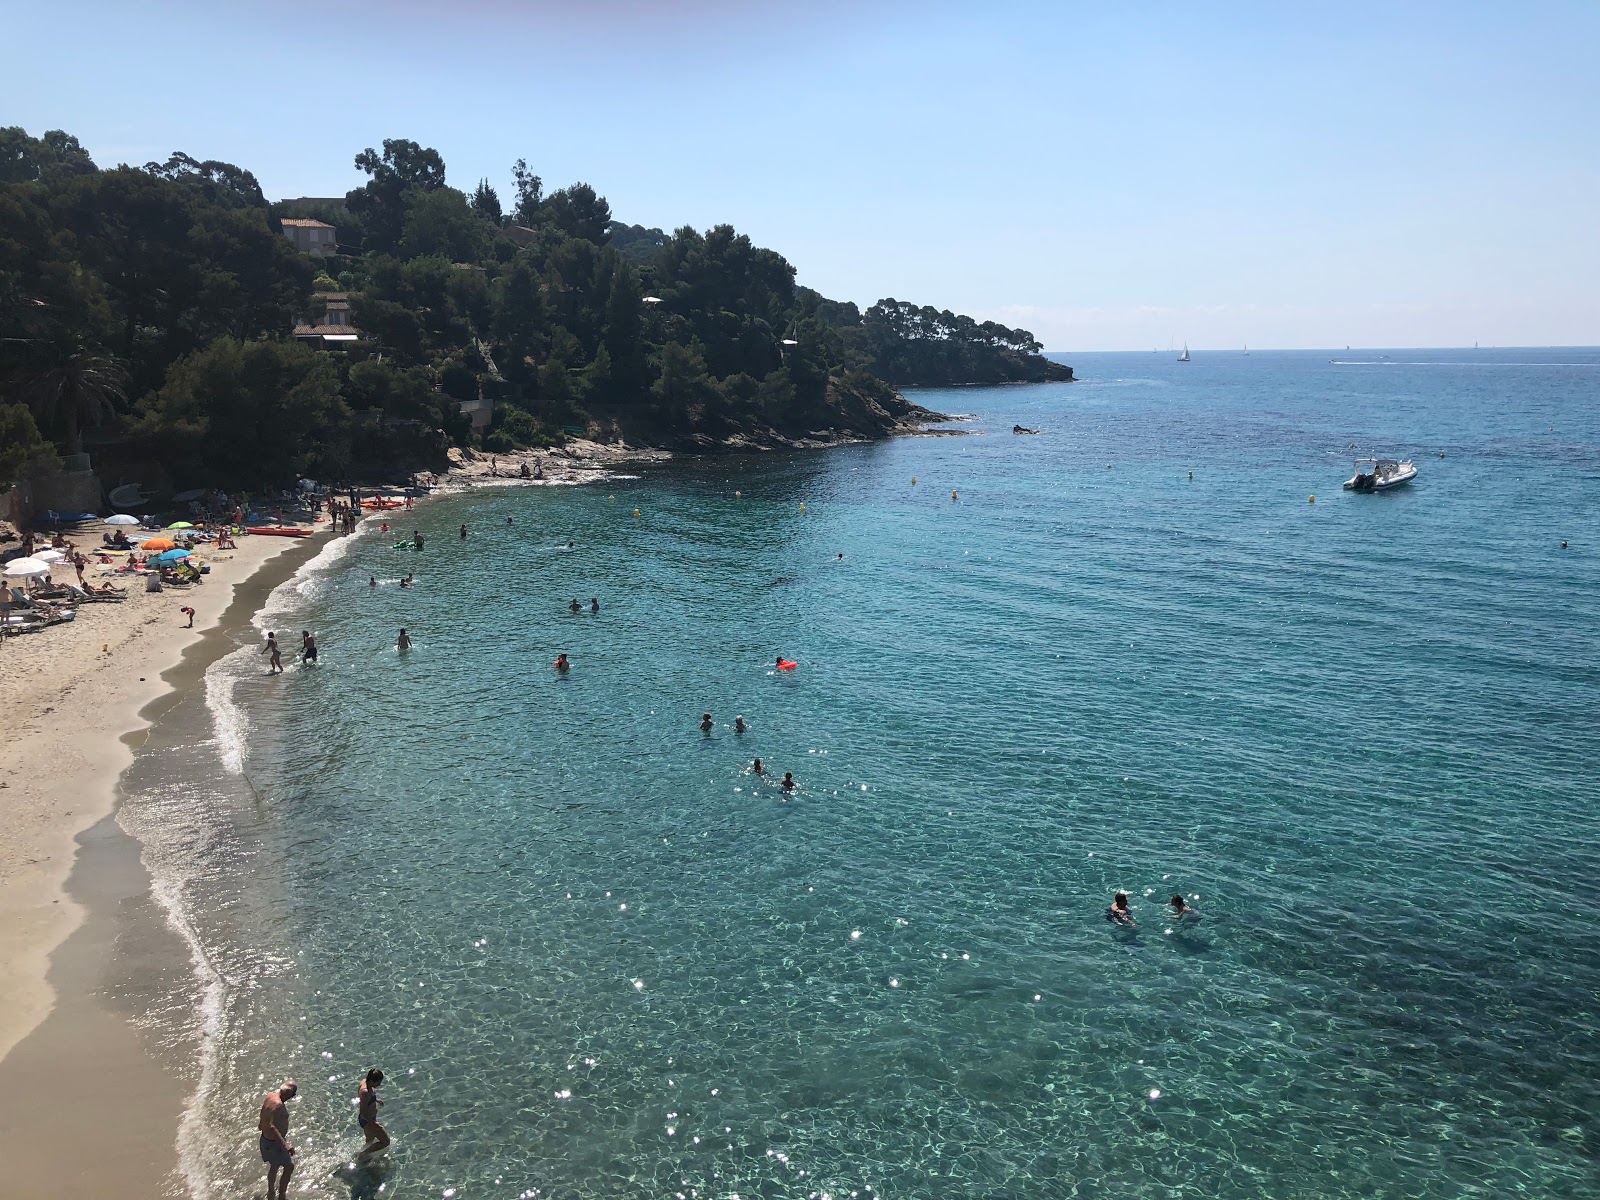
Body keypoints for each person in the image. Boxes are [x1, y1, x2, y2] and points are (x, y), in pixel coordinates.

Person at [258, 1079, 298, 1200]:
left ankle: (271, 1193)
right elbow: (271, 1126)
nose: (293, 1097)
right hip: (274, 1143)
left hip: (265, 1140)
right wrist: (284, 1144)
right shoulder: (279, 1105)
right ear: (289, 1094)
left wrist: (260, 1123)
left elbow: (265, 1111)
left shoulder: (271, 1095)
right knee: (289, 1167)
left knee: (274, 1166)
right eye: (293, 1094)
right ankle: (282, 1196)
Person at [356, 1068, 390, 1163]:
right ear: (371, 1080)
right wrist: (374, 1124)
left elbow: (365, 1100)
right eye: (378, 1082)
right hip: (368, 1121)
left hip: (368, 1120)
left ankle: (363, 1157)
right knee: (385, 1141)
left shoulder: (364, 1082)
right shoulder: (365, 1092)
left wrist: (375, 1100)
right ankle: (363, 1155)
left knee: (369, 1142)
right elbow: (363, 1112)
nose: (379, 1085)